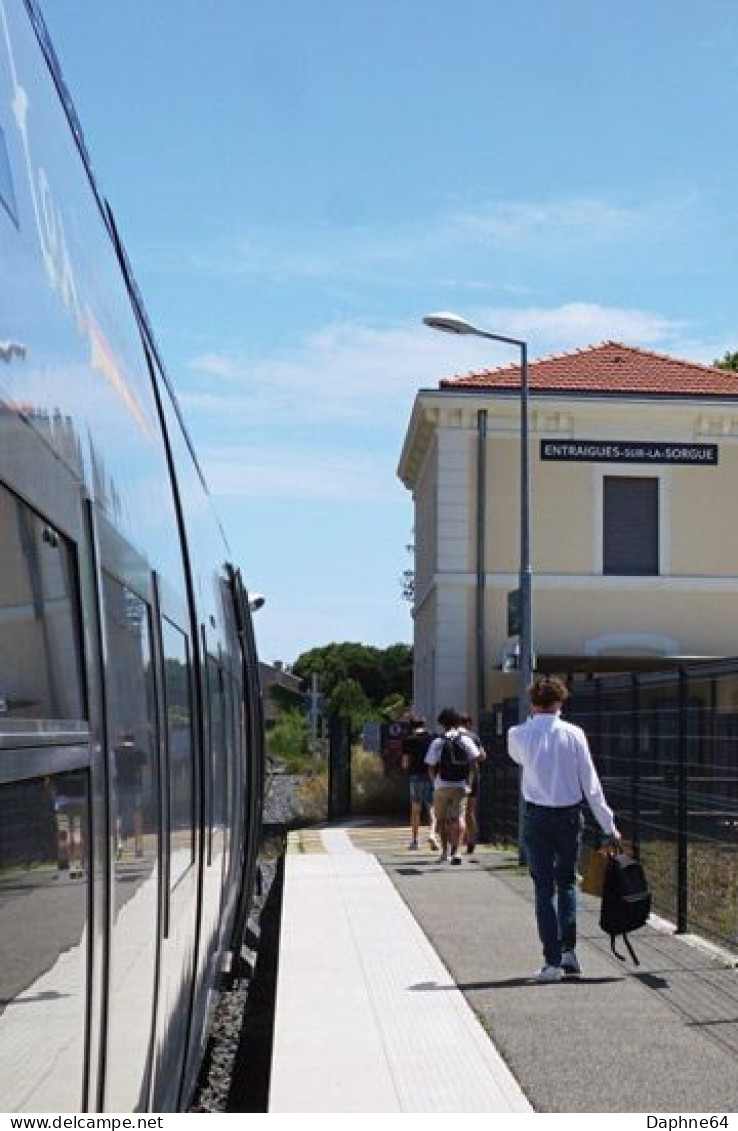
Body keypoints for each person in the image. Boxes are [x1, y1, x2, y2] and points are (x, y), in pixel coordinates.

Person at [507, 676, 621, 983]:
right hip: (570, 816)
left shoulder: (518, 734)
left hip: (536, 816)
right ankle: (570, 953)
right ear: (561, 702)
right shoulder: (575, 734)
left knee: (543, 889)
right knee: (567, 882)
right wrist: (608, 826)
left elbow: (517, 759)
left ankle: (552, 961)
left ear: (533, 702)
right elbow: (591, 784)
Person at [425, 707, 480, 865]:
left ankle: (444, 853)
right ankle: (457, 852)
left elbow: (430, 766)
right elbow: (475, 762)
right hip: (461, 785)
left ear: (442, 723)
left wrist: (435, 783)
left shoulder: (438, 741)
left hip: (441, 785)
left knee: (441, 820)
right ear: (457, 722)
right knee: (459, 818)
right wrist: (469, 783)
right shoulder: (465, 740)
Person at [401, 714, 439, 850]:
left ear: (412, 726)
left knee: (416, 809)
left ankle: (415, 841)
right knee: (432, 807)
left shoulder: (408, 740)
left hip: (415, 776)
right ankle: (432, 834)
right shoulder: (433, 738)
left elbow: (405, 763)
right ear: (424, 725)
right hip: (430, 775)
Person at [458, 712, 485, 855]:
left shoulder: (453, 737)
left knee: (457, 811)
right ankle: (472, 841)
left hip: (456, 777)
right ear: (468, 723)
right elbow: (482, 755)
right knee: (470, 811)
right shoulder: (473, 737)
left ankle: (457, 842)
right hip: (473, 775)